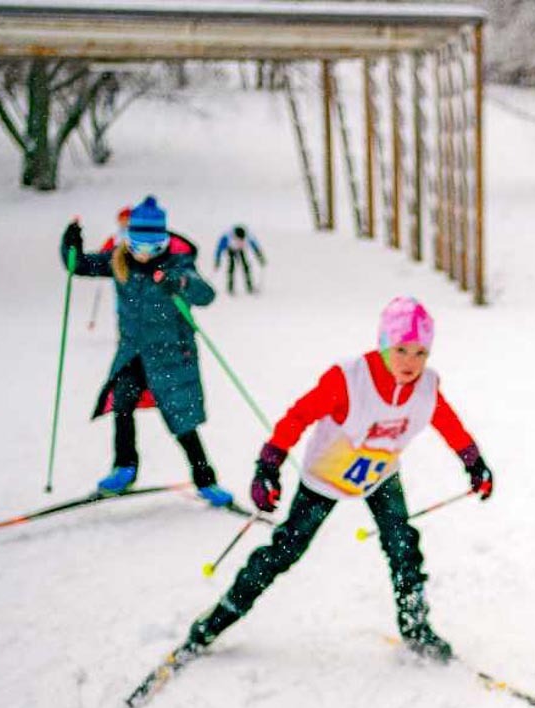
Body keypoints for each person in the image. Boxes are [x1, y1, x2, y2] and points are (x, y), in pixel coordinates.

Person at [177, 296, 495, 662]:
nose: (411, 362)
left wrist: (473, 461)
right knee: (286, 550)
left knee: (403, 545)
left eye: (421, 352)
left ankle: (415, 626)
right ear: (384, 344)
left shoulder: (425, 387)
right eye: (402, 349)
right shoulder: (349, 380)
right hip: (325, 477)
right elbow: (299, 415)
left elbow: (446, 421)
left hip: (379, 475)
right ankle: (217, 619)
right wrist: (269, 463)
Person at [60, 196, 231, 505]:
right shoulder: (119, 260)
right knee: (122, 402)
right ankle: (125, 467)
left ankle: (207, 481)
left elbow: (205, 294)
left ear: (163, 243)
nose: (144, 255)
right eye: (138, 247)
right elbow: (79, 265)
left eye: (152, 248)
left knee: (182, 423)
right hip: (133, 354)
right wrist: (70, 245)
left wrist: (178, 282)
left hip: (172, 357)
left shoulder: (178, 264)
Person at [214, 224, 266, 294]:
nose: (240, 241)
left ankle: (249, 287)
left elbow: (255, 247)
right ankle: (230, 288)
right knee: (231, 267)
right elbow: (219, 249)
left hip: (241, 250)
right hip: (231, 249)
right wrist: (217, 260)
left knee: (246, 267)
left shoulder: (249, 236)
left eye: (242, 239)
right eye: (238, 239)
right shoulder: (226, 237)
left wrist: (260, 257)